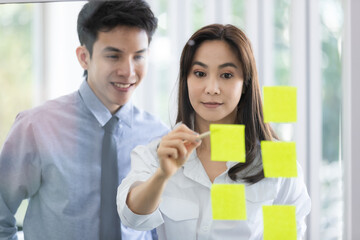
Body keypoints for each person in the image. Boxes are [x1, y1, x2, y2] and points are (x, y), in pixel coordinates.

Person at [117, 24, 311, 240]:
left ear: (245, 83)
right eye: (200, 73)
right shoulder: (158, 153)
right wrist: (163, 175)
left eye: (226, 75)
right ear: (186, 81)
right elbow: (132, 218)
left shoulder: (277, 160)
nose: (211, 88)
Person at [0, 0, 168, 239]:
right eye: (114, 56)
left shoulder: (158, 135)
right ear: (83, 57)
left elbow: (157, 229)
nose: (128, 71)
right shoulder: (36, 128)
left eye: (138, 57)